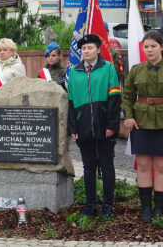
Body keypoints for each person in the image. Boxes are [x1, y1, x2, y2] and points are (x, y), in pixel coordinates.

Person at [121, 30, 163, 222]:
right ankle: (146, 209)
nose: (149, 50)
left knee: (162, 167)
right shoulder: (137, 70)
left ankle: (159, 210)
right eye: (146, 47)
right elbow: (127, 96)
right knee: (143, 166)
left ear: (161, 47)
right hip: (141, 123)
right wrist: (128, 116)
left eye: (153, 46)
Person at [67, 34, 121, 217]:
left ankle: (107, 205)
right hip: (83, 127)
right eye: (83, 48)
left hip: (104, 125)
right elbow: (71, 101)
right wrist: (73, 127)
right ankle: (90, 205)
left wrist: (111, 125)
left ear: (98, 49)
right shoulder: (74, 72)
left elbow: (115, 99)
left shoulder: (108, 69)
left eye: (90, 47)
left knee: (107, 166)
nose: (86, 51)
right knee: (88, 168)